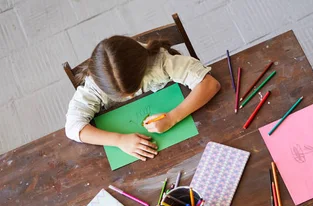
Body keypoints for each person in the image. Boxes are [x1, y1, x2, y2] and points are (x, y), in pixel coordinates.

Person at [64, 35, 221, 161]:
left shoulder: (160, 63)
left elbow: (209, 84)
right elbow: (73, 127)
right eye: (121, 95)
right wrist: (119, 140)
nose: (131, 97)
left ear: (142, 69)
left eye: (134, 89)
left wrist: (173, 117)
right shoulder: (94, 86)